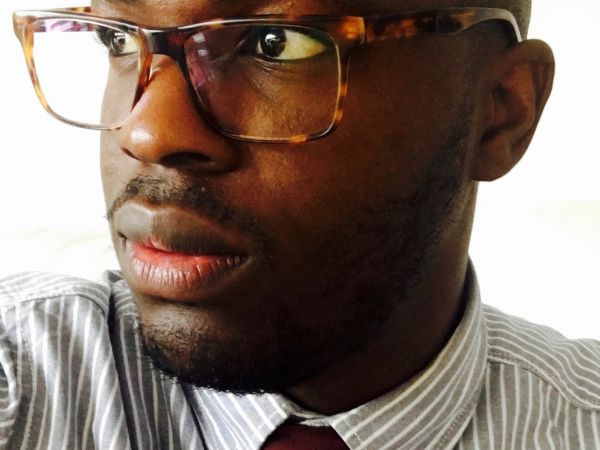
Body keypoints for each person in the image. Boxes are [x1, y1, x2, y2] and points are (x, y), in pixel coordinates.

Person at [3, 0, 600, 448]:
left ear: (501, 113)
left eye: (274, 44)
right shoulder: (23, 383)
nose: (147, 131)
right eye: (116, 38)